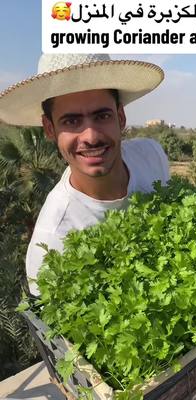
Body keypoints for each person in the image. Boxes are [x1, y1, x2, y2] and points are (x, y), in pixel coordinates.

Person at [0, 53, 169, 295]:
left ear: (120, 117)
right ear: (50, 128)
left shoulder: (152, 157)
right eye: (71, 121)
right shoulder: (51, 243)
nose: (91, 137)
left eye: (102, 116)